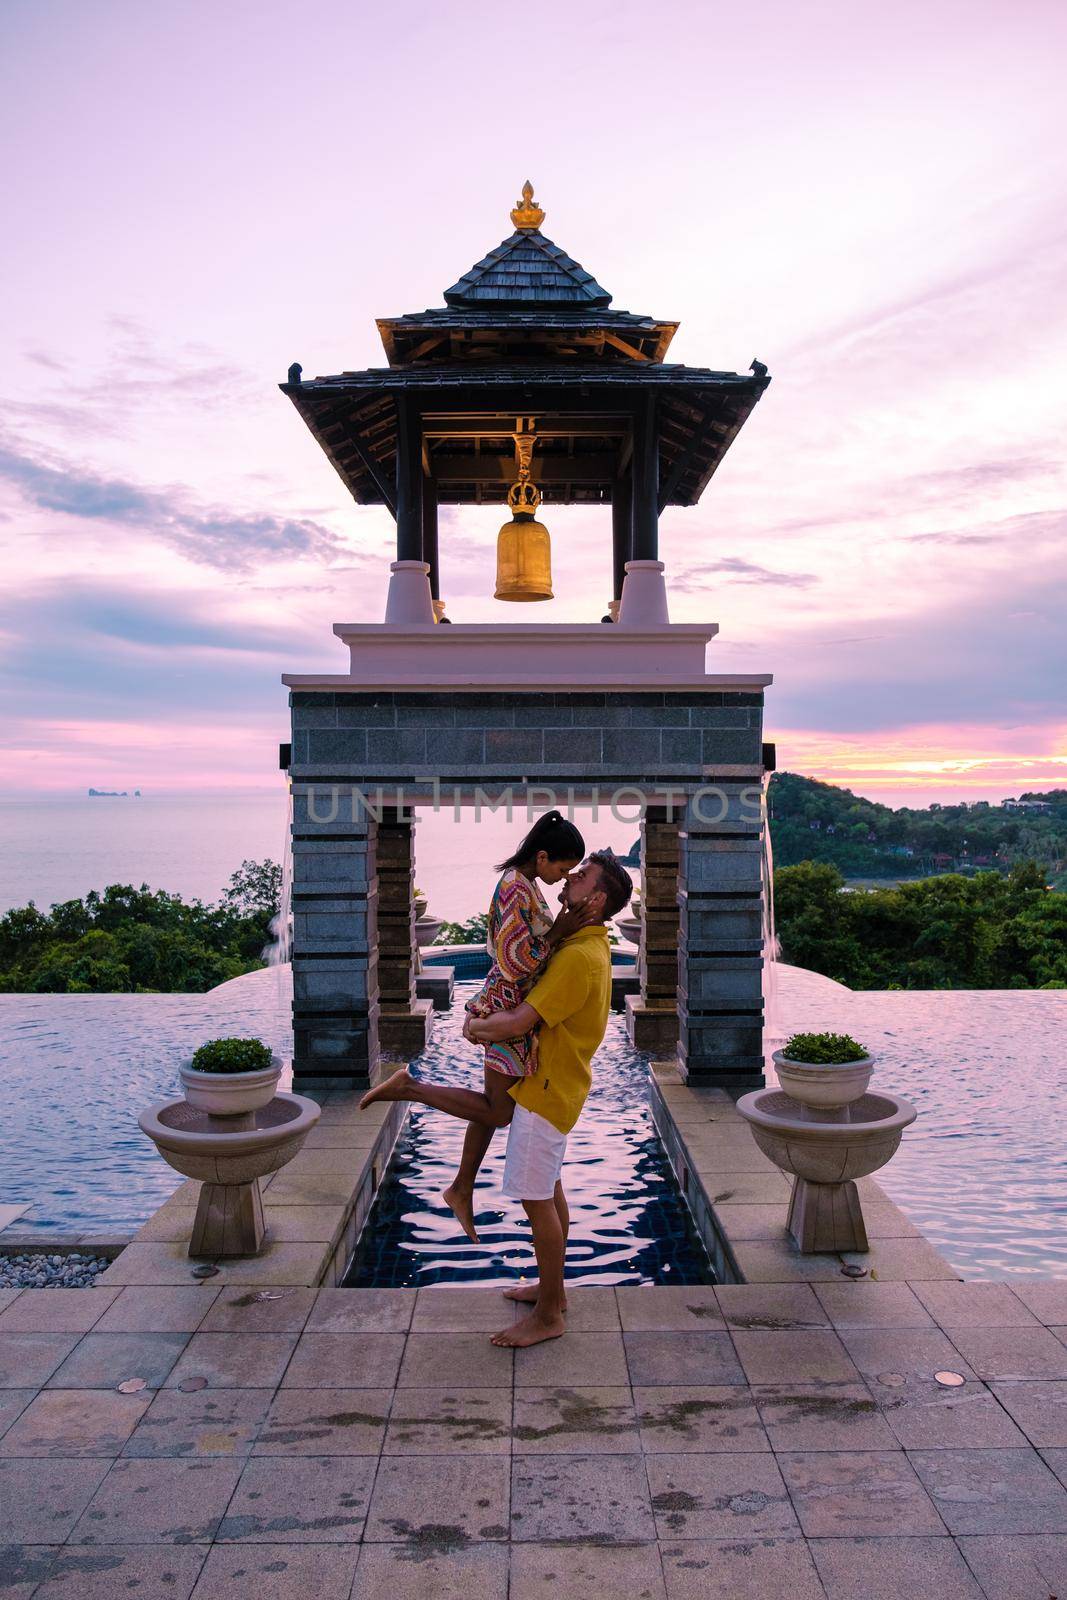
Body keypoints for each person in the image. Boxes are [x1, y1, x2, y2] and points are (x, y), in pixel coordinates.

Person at [358, 811, 602, 1243]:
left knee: (493, 1105)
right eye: (562, 869)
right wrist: (558, 933)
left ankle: (461, 1187)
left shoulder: (523, 884)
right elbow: (513, 961)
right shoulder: (514, 888)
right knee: (499, 1110)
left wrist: (557, 934)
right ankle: (409, 1089)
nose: (562, 877)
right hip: (507, 1006)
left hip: (513, 1006)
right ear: (542, 857)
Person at [467, 850, 634, 1348]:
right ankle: (552, 1290)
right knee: (551, 1191)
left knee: (536, 1198)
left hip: (545, 1092)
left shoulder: (579, 957)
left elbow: (519, 1022)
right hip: (556, 1086)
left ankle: (548, 1316)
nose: (571, 876)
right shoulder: (587, 943)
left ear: (597, 898)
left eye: (581, 876)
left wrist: (477, 1026)